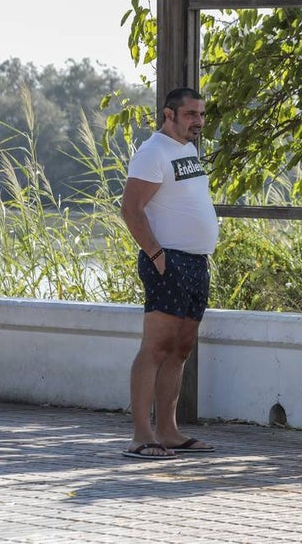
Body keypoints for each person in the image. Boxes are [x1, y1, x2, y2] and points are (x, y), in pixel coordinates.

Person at [120, 87, 219, 459]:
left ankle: (169, 430)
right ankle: (141, 435)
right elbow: (131, 210)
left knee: (181, 348)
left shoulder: (189, 151)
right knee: (156, 347)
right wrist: (157, 255)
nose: (198, 121)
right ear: (169, 114)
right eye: (191, 114)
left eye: (202, 114)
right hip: (168, 261)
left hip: (195, 262)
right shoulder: (152, 153)